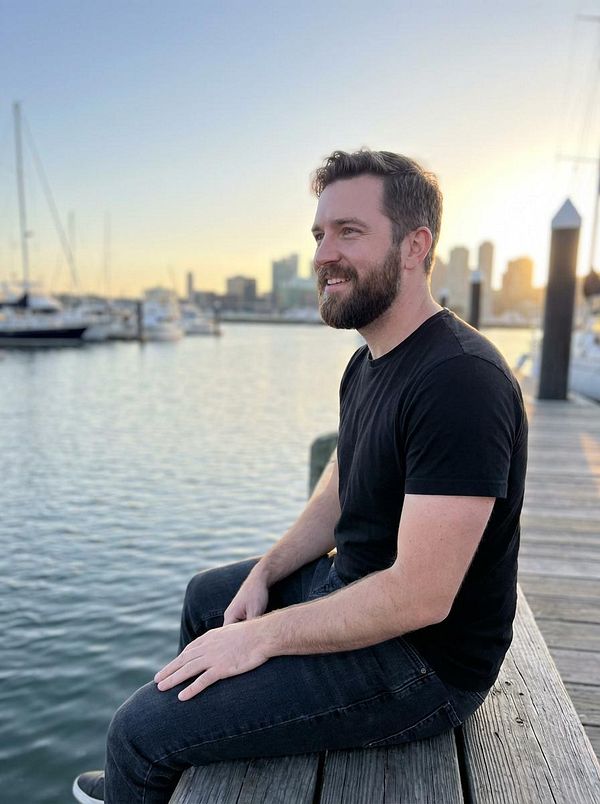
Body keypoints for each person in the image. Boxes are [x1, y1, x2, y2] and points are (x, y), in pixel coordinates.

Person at [73, 149, 527, 803]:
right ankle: (180, 765)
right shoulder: (369, 361)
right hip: (358, 591)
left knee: (136, 734)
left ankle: (148, 765)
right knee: (211, 597)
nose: (323, 254)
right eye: (319, 234)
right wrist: (266, 570)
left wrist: (261, 637)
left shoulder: (460, 380)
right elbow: (341, 485)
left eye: (349, 232)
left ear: (413, 246)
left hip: (424, 662)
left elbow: (423, 597)